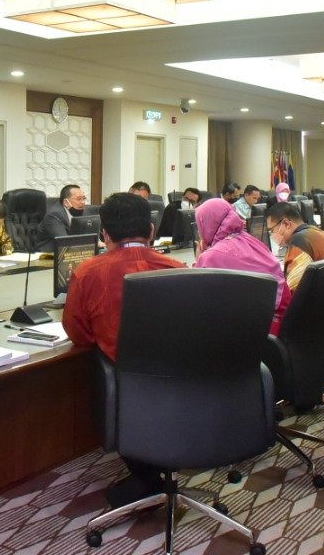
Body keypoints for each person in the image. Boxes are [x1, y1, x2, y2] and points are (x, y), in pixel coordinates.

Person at [62, 192, 185, 508]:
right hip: (181, 386)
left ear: (104, 234)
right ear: (151, 230)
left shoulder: (88, 272)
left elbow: (78, 334)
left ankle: (144, 473)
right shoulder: (178, 268)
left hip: (126, 389)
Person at [194, 199, 292, 334]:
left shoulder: (210, 257)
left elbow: (196, 296)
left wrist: (199, 259)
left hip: (258, 330)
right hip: (282, 321)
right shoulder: (249, 239)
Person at [266, 202, 324, 292]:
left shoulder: (298, 241)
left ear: (286, 224)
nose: (272, 235)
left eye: (272, 230)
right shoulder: (320, 233)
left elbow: (294, 291)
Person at [34, 184, 87, 252]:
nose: (83, 202)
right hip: (47, 254)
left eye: (84, 198)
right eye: (79, 199)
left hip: (66, 252)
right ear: (66, 202)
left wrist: (97, 241)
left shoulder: (80, 211)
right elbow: (64, 241)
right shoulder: (54, 215)